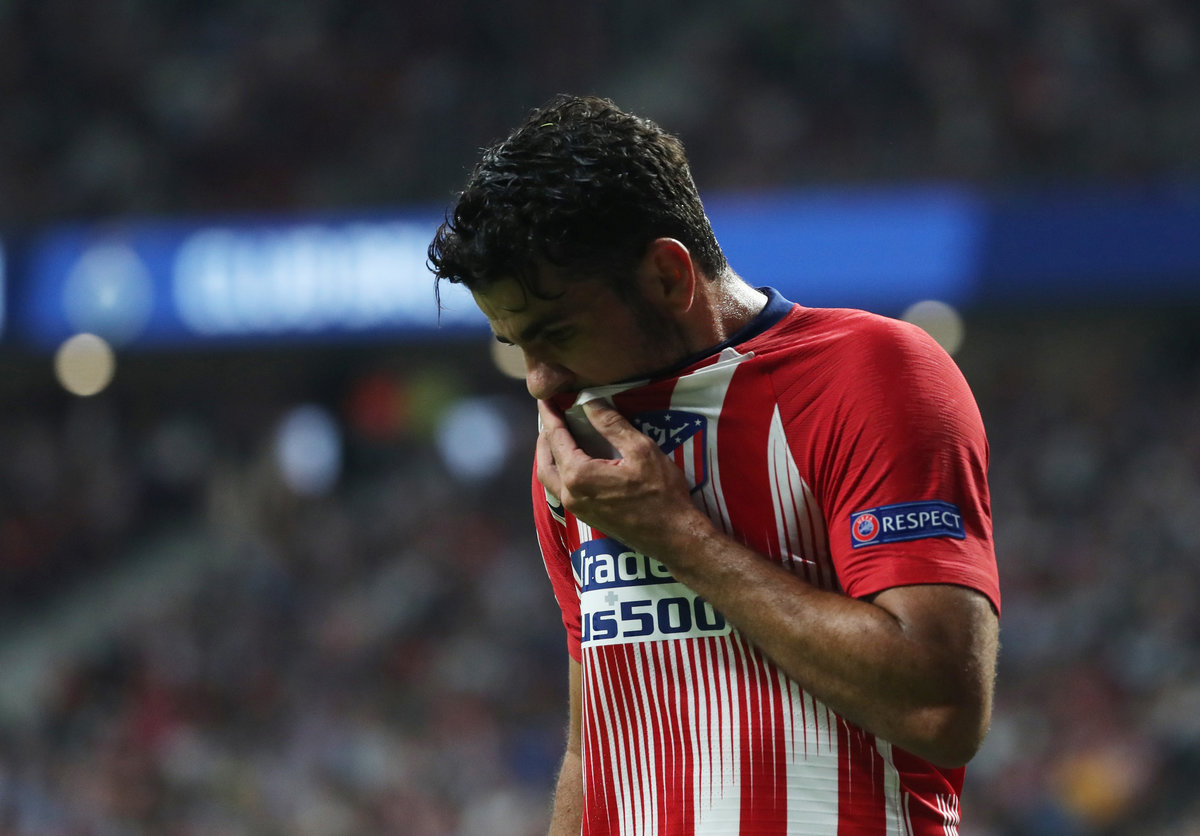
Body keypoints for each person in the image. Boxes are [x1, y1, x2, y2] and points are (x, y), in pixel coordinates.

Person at [428, 94, 1000, 835]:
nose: (538, 380)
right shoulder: (582, 447)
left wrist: (679, 537)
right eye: (516, 344)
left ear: (669, 276)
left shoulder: (870, 371)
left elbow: (941, 708)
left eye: (557, 333)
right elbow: (594, 747)